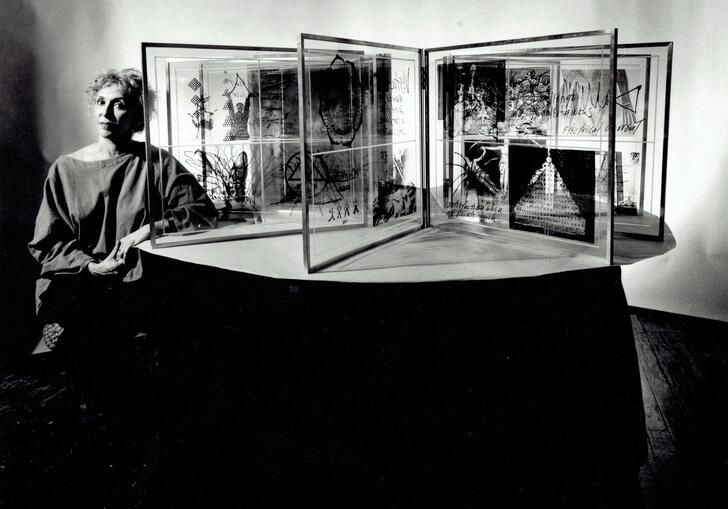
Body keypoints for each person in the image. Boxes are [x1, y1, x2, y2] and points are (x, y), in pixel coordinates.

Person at [28, 68, 218, 353]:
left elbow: (202, 211)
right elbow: (47, 243)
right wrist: (91, 266)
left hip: (136, 282)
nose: (106, 113)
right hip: (82, 280)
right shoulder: (65, 169)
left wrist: (146, 231)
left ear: (137, 116)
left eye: (119, 104)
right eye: (101, 102)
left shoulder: (155, 162)